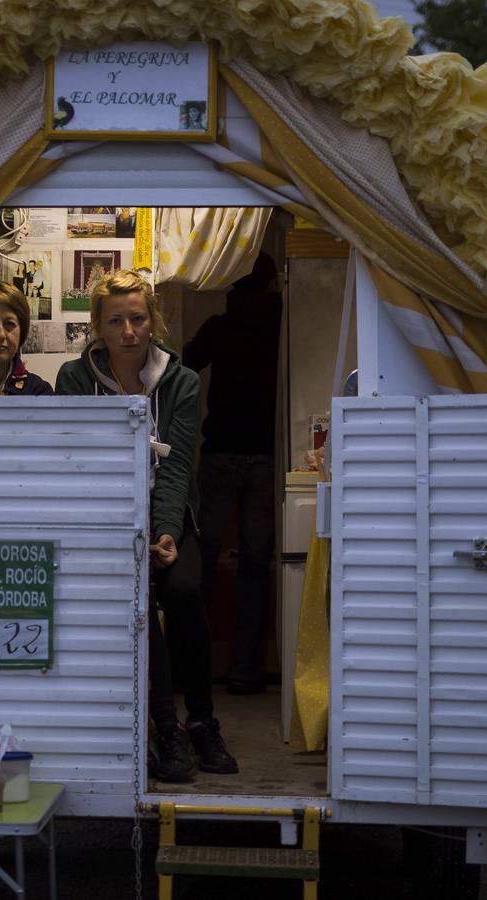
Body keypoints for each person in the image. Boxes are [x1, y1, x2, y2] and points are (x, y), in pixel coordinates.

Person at [56, 270, 238, 781]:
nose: (129, 331)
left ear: (153, 319)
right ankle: (166, 729)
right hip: (106, 523)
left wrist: (165, 534)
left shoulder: (182, 382)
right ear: (97, 325)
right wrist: (121, 533)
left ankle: (202, 722)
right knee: (136, 594)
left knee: (182, 590)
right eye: (115, 321)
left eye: (137, 319)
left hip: (169, 515)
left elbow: (177, 466)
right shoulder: (74, 379)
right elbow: (78, 462)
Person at [182, 253, 281, 694]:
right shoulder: (282, 324)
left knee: (199, 563)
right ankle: (244, 669)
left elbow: (181, 367)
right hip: (263, 455)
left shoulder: (220, 327)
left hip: (219, 451)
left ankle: (194, 665)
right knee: (255, 566)